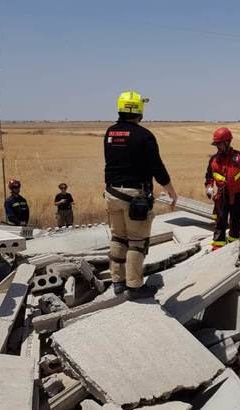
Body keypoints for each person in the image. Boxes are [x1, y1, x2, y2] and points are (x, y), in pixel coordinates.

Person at [104, 90, 178, 300]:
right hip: (134, 198)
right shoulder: (144, 135)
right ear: (139, 110)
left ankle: (117, 282)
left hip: (111, 193)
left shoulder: (110, 132)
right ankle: (135, 286)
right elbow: (157, 167)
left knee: (118, 237)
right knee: (137, 241)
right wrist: (171, 191)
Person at [205, 127, 240, 250]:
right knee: (220, 221)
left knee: (235, 221)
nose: (218, 147)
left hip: (236, 194)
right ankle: (218, 246)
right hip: (221, 196)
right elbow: (209, 176)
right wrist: (209, 187)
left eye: (219, 144)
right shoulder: (214, 160)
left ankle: (233, 244)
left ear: (227, 142)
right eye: (216, 145)